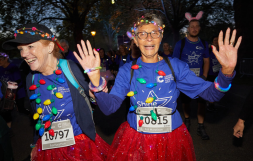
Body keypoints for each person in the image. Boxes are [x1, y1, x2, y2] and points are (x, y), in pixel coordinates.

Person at [73, 13, 241, 160]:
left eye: (154, 33)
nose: (149, 38)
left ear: (161, 37)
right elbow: (109, 108)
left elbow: (212, 95)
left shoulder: (176, 67)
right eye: (142, 34)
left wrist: (226, 73)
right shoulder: (127, 71)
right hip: (136, 140)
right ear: (136, 41)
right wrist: (95, 81)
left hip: (172, 139)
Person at [2, 24, 109, 161]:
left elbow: (94, 100)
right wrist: (36, 142)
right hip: (48, 147)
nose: (23, 54)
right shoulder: (31, 78)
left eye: (30, 46)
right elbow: (38, 116)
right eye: (21, 49)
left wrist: (98, 90)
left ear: (50, 47)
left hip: (78, 145)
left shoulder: (70, 68)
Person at [173, 11, 210, 140]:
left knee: (201, 103)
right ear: (188, 29)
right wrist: (179, 79)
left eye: (197, 26)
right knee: (186, 102)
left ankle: (201, 126)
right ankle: (187, 121)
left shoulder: (204, 44)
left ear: (199, 28)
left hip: (200, 79)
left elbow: (206, 60)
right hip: (185, 80)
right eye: (192, 26)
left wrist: (204, 76)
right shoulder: (180, 44)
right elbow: (175, 62)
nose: (194, 29)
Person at [0, 52, 26, 129]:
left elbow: (18, 81)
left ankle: (26, 124)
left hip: (18, 93)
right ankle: (9, 128)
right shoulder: (0, 68)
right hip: (5, 94)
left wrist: (10, 88)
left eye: (0, 59)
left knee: (21, 110)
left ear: (6, 59)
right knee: (6, 111)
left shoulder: (13, 68)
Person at [207, 35, 222, 111]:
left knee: (217, 89)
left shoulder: (221, 51)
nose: (216, 41)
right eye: (214, 40)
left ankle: (212, 102)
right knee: (210, 88)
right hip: (210, 73)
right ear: (212, 42)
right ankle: (210, 104)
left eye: (217, 40)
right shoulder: (209, 50)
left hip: (219, 74)